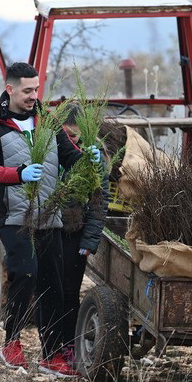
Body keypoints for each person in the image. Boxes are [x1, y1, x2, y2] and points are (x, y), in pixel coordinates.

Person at [0, 62, 100, 378]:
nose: (33, 96)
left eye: (36, 89)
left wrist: (90, 158)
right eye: (27, 90)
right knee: (25, 274)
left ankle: (52, 355)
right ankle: (11, 342)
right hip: (14, 216)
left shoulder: (47, 121)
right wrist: (18, 174)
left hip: (49, 217)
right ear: (10, 90)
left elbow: (71, 158)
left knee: (53, 285)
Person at [60, 105, 109, 365]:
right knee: (49, 289)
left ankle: (68, 347)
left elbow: (99, 202)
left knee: (69, 292)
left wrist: (90, 240)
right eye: (66, 135)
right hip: (47, 229)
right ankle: (51, 347)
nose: (71, 141)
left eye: (76, 137)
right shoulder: (47, 146)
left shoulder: (95, 155)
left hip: (74, 232)